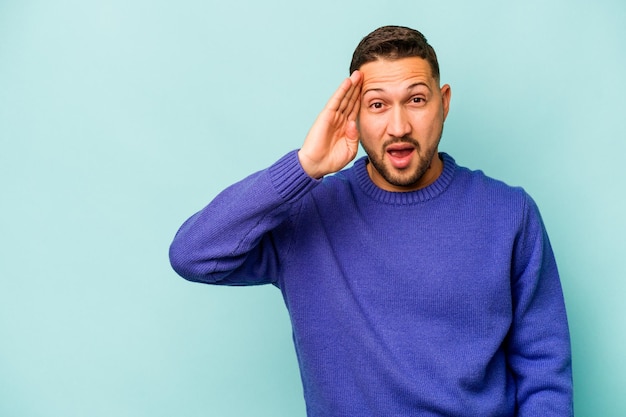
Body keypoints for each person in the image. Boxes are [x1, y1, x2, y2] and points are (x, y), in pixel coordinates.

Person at [169, 25, 573, 416]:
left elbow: (544, 369)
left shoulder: (508, 212)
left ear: (443, 102)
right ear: (354, 115)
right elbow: (193, 255)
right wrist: (304, 167)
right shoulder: (308, 213)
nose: (398, 127)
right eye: (377, 105)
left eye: (416, 100)